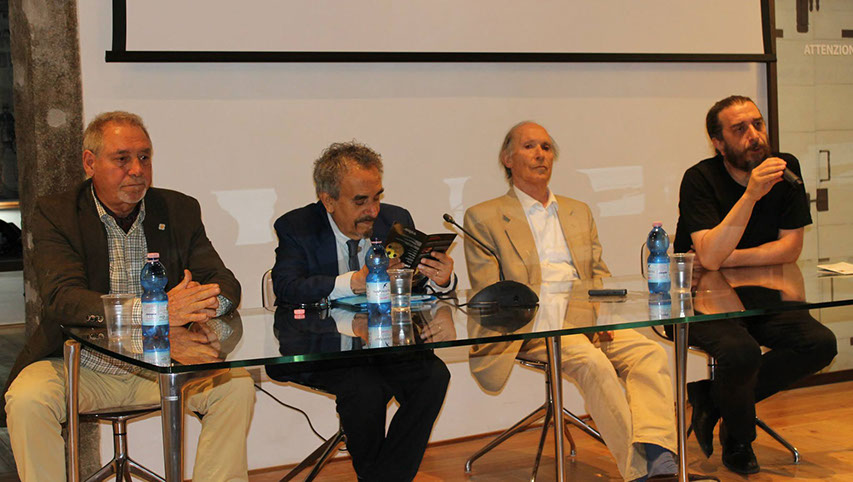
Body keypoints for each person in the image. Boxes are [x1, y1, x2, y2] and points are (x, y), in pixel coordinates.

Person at [1, 111, 255, 482]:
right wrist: (156, 310)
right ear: (90, 163)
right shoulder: (58, 213)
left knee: (236, 386)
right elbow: (63, 299)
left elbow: (224, 283)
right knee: (27, 400)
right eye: (122, 159)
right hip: (82, 367)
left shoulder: (178, 209)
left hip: (163, 364)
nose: (137, 170)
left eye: (144, 157)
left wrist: (202, 305)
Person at [464, 121, 698, 482]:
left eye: (546, 147)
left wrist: (601, 318)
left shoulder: (578, 211)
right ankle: (639, 473)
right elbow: (490, 295)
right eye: (529, 146)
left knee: (649, 353)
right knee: (593, 363)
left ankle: (660, 456)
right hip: (534, 326)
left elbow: (597, 275)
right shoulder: (484, 217)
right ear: (507, 159)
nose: (540, 154)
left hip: (588, 318)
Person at [268, 141, 452, 481]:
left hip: (386, 344)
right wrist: (354, 281)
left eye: (377, 197)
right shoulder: (297, 227)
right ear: (328, 200)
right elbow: (287, 287)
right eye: (360, 201)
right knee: (366, 388)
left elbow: (415, 286)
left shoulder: (396, 220)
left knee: (434, 375)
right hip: (323, 346)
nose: (373, 210)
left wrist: (441, 280)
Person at [674, 95, 837, 474]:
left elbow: (790, 249)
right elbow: (708, 257)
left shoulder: (786, 168)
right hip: (699, 302)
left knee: (819, 343)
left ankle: (713, 399)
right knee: (741, 351)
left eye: (758, 124)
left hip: (762, 297)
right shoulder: (699, 179)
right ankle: (739, 439)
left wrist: (726, 257)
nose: (754, 135)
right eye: (740, 129)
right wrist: (750, 195)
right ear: (718, 143)